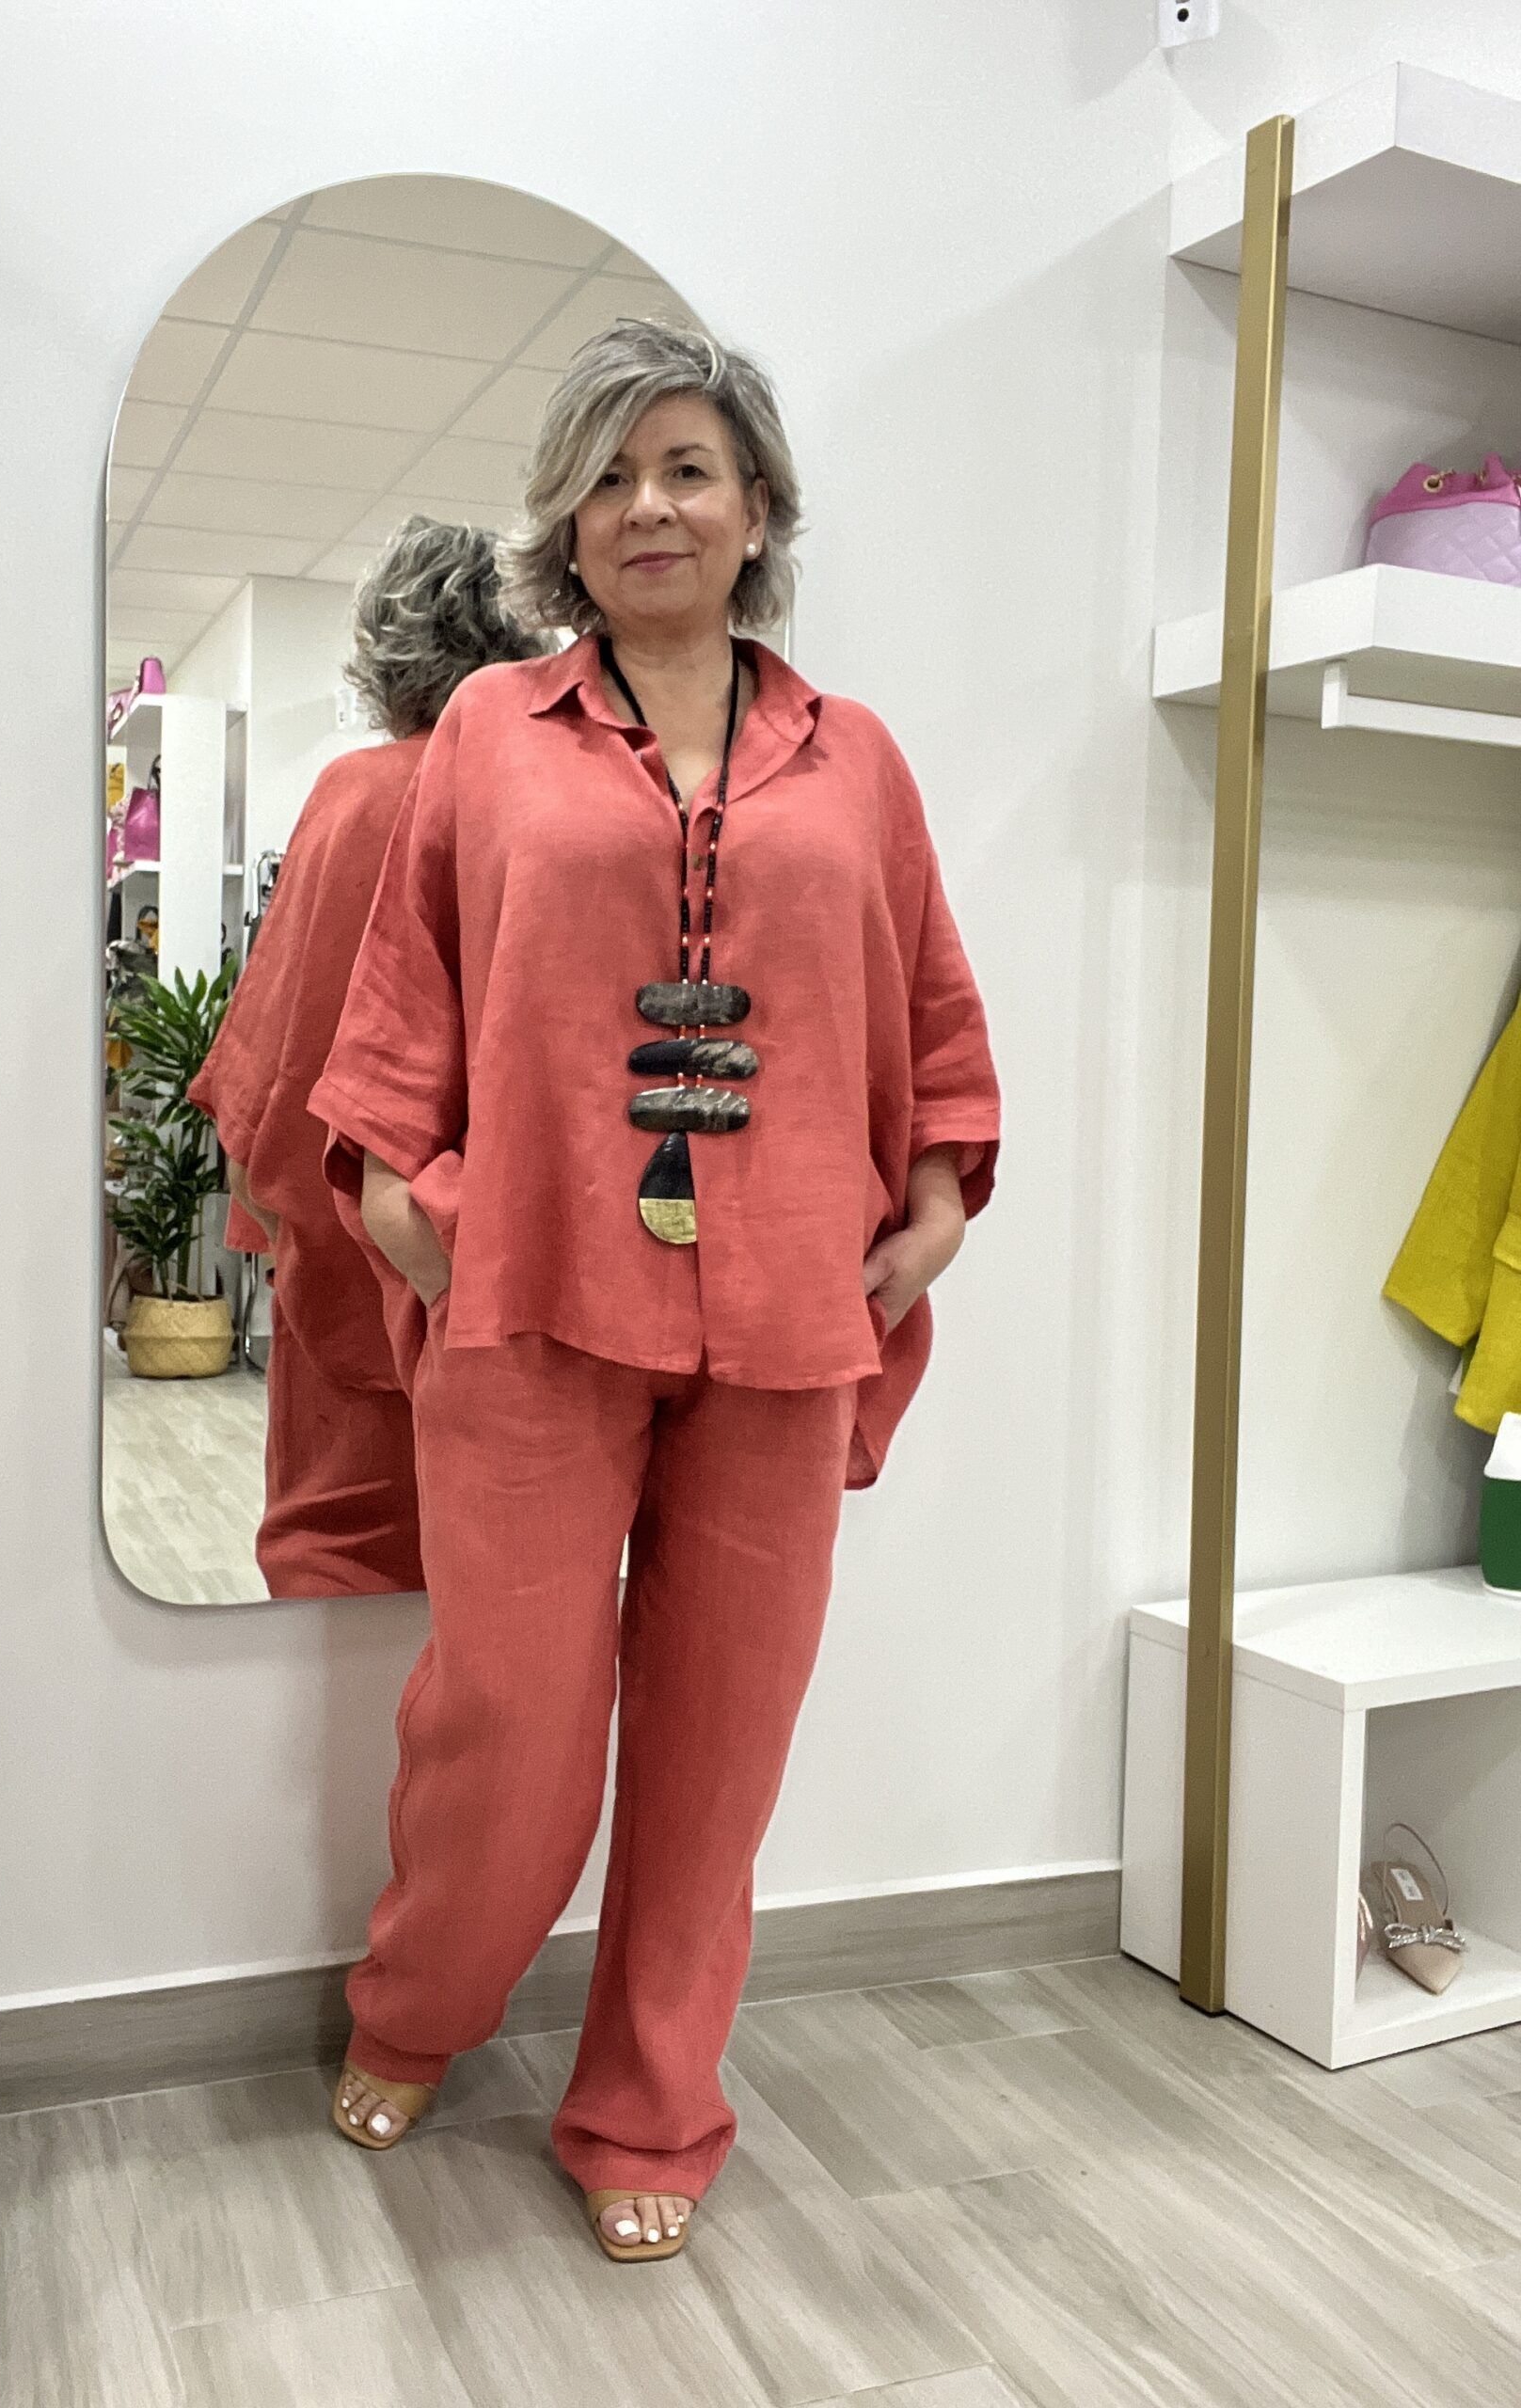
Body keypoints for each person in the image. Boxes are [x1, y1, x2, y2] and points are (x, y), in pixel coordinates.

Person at [309, 319, 1002, 2259]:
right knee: (510, 1724)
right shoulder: (488, 732)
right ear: (564, 518)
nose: (648, 506)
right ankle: (416, 2007)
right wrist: (413, 1210)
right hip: (531, 1303)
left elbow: (929, 1001)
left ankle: (651, 2107)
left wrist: (936, 1201)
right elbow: (403, 1003)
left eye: (687, 467)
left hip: (786, 1316)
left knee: (717, 1754)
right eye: (608, 474)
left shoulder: (857, 758)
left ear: (758, 505)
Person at [187, 516, 546, 1596]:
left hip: (351, 1286)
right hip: (511, 1293)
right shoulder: (555, 805)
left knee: (337, 1591)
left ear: (384, 652)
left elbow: (268, 1090)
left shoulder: (358, 798)